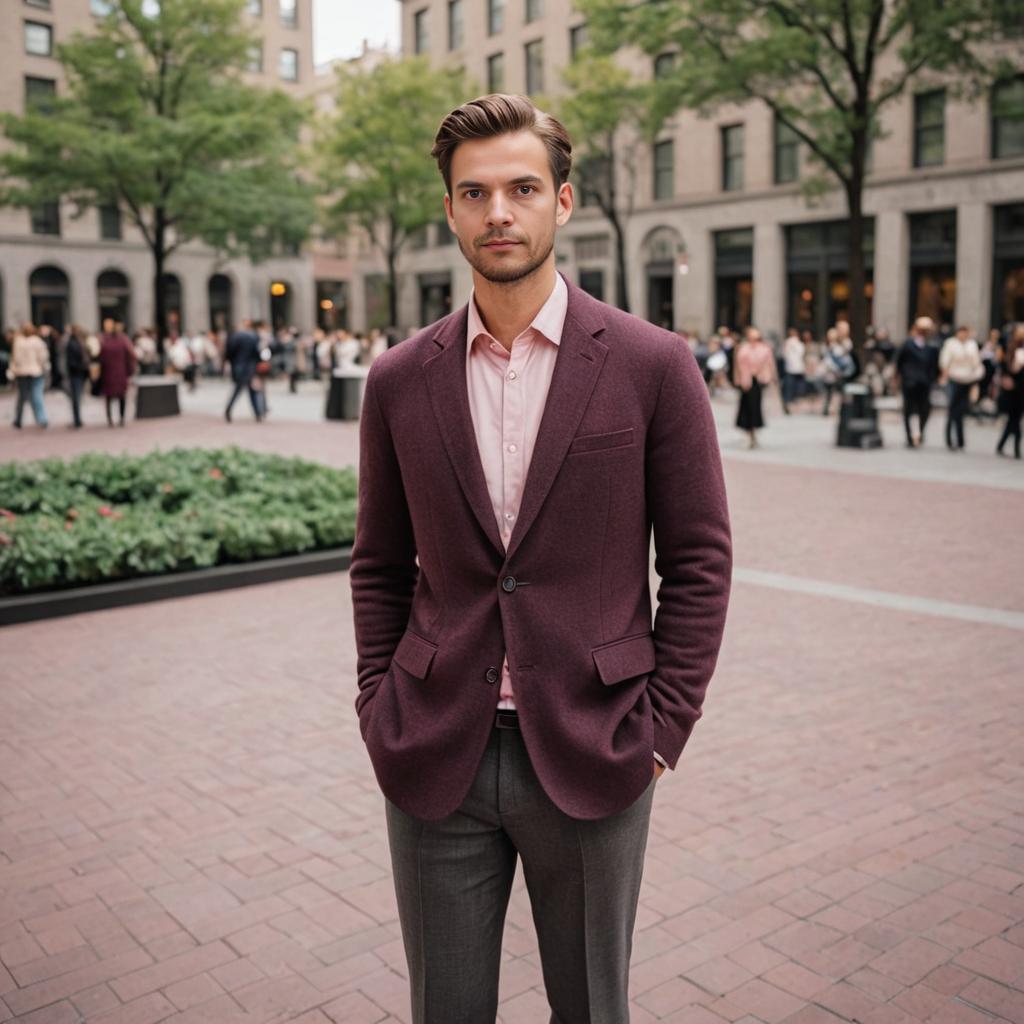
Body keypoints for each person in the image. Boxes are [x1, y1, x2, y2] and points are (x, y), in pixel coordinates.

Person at [349, 93, 732, 1024]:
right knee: (446, 1010)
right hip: (437, 748)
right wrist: (377, 704)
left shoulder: (651, 364)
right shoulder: (400, 379)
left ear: (563, 201)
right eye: (474, 193)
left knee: (593, 1010)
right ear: (449, 210)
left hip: (599, 746)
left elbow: (700, 560)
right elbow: (378, 564)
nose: (499, 213)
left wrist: (662, 733)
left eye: (523, 188)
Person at [896, 316, 940, 447]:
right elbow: (900, 361)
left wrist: (932, 379)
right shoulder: (908, 344)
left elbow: (934, 365)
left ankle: (920, 432)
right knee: (908, 409)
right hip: (909, 382)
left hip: (924, 382)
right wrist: (902, 376)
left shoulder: (932, 345)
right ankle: (909, 436)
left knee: (924, 409)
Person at [939, 325, 983, 451]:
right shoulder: (950, 344)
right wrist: (945, 374)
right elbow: (944, 361)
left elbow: (976, 362)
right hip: (954, 379)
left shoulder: (972, 344)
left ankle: (960, 440)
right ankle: (949, 439)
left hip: (968, 379)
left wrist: (976, 377)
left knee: (961, 410)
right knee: (952, 409)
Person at [733, 325, 776, 447]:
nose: (753, 340)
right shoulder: (743, 348)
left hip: (758, 380)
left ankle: (753, 432)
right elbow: (738, 366)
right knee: (745, 406)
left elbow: (770, 365)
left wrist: (771, 378)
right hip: (745, 381)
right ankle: (748, 432)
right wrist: (738, 380)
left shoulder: (765, 349)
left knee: (755, 406)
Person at [9, 322, 50, 429]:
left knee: (22, 397)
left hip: (22, 372)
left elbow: (15, 359)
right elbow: (43, 357)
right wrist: (42, 367)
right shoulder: (37, 341)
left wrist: (13, 371)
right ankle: (42, 418)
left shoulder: (18, 342)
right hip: (36, 371)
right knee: (37, 395)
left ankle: (18, 419)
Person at [98, 318, 137, 426]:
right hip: (121, 373)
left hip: (108, 373)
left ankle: (110, 419)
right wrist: (130, 370)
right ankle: (121, 418)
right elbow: (132, 355)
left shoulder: (104, 341)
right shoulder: (123, 340)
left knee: (108, 398)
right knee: (121, 397)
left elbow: (100, 357)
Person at [224, 318, 263, 422]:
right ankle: (258, 413)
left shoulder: (235, 336)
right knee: (252, 391)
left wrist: (232, 364)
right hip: (250, 367)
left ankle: (228, 410)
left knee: (237, 390)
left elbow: (229, 353)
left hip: (238, 366)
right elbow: (257, 353)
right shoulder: (254, 337)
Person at [996, 326, 1024, 459]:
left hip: (1021, 387)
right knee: (1015, 419)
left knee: (1013, 420)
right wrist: (1006, 376)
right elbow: (1002, 365)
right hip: (1011, 388)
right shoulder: (1008, 346)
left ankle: (1001, 445)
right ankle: (1017, 448)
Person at [64, 324, 90, 428]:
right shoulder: (73, 343)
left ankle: (77, 419)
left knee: (77, 397)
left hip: (78, 372)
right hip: (77, 372)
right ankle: (77, 419)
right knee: (76, 397)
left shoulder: (77, 342)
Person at [781, 326, 805, 414]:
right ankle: (792, 404)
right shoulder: (798, 343)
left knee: (789, 389)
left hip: (790, 368)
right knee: (796, 389)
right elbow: (802, 353)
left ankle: (788, 403)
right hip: (797, 368)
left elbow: (784, 355)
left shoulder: (787, 343)